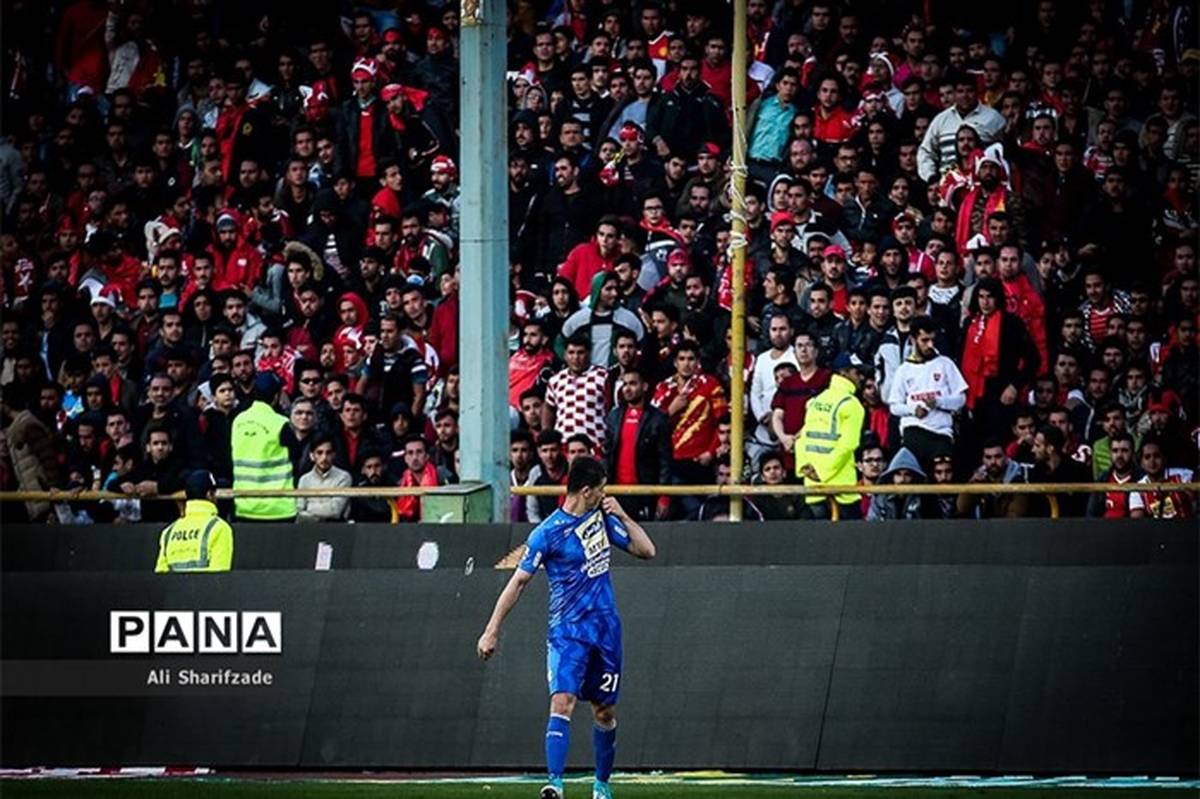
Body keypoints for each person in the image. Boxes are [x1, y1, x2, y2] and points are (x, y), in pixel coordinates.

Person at [476, 455, 656, 799]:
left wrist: (622, 515)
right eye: (601, 489)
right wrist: (491, 629)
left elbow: (647, 550)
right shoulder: (546, 533)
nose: (604, 495)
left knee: (604, 710)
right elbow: (518, 582)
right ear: (586, 491)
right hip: (567, 631)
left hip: (605, 630)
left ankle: (601, 786)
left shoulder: (602, 520)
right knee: (562, 701)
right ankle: (555, 784)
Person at [793, 352, 868, 520]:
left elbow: (802, 439)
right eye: (857, 372)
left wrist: (805, 468)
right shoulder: (851, 404)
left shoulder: (815, 401)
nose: (861, 377)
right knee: (851, 534)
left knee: (819, 534)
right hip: (841, 486)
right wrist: (822, 471)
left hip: (813, 484)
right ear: (843, 373)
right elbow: (848, 444)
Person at [886, 315, 967, 465]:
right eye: (924, 340)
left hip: (941, 431)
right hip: (914, 430)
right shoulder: (904, 369)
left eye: (932, 340)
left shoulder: (945, 364)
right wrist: (913, 410)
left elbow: (961, 399)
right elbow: (894, 406)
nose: (930, 345)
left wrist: (939, 402)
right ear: (913, 339)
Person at [231, 372, 297, 522]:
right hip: (278, 507)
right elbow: (297, 454)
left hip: (244, 505)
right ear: (276, 397)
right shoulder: (280, 423)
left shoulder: (238, 421)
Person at [154, 470, 233, 573]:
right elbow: (219, 576)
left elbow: (160, 575)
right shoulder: (220, 528)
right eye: (214, 493)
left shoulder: (168, 532)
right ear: (209, 494)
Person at [295, 434, 352, 522]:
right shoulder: (304, 479)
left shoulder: (344, 477)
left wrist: (309, 507)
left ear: (334, 455)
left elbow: (335, 511)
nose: (324, 457)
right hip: (309, 527)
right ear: (312, 456)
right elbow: (299, 511)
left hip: (336, 527)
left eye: (328, 453)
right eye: (319, 452)